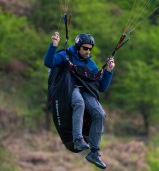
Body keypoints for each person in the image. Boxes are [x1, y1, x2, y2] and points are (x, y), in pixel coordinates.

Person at [44, 32, 115, 169]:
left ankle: (94, 152)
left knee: (100, 113)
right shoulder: (65, 55)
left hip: (85, 90)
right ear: (78, 47)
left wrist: (108, 71)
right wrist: (54, 45)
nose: (87, 51)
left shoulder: (91, 64)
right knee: (79, 103)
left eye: (90, 49)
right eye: (85, 48)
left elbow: (102, 87)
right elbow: (49, 62)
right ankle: (78, 139)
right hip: (68, 89)